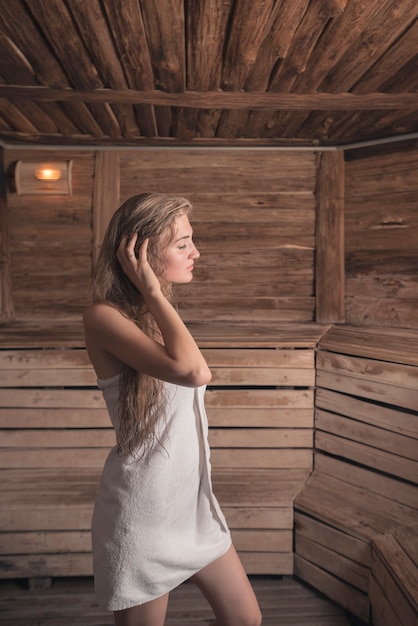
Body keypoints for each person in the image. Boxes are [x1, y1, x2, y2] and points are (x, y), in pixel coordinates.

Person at [83, 193, 262, 626]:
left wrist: (154, 295)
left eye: (191, 241)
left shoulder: (155, 315)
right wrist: (151, 288)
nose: (195, 252)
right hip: (144, 517)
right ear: (140, 252)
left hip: (192, 509)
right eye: (182, 243)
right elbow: (194, 371)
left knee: (246, 620)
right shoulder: (103, 317)